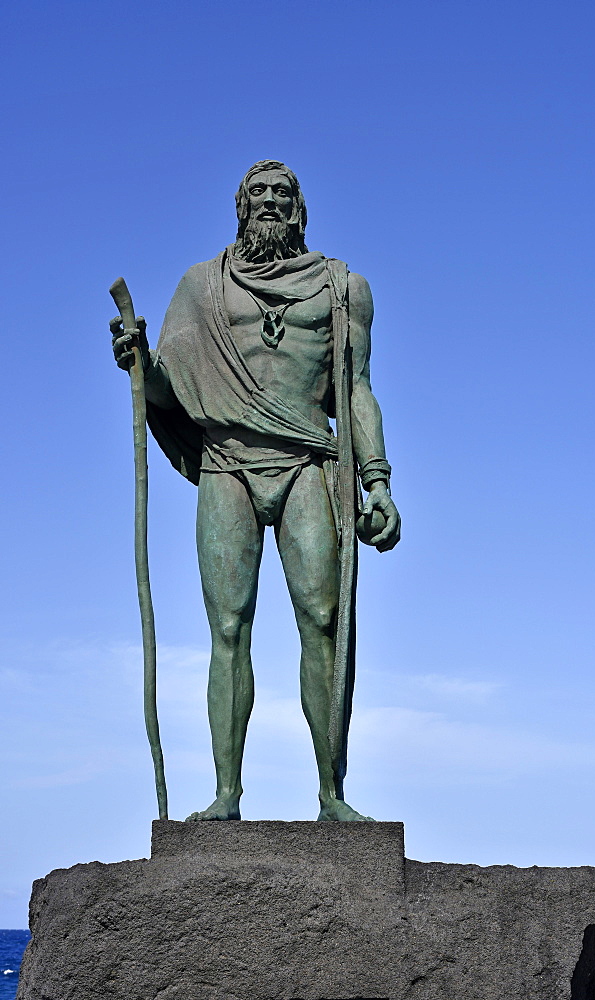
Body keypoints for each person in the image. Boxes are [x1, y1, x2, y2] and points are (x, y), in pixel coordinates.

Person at [111, 160, 400, 821]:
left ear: (299, 209)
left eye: (283, 194)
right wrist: (140, 363)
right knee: (229, 629)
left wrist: (377, 481)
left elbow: (354, 388)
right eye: (258, 194)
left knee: (324, 625)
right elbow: (169, 389)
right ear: (240, 207)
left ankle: (332, 796)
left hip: (307, 465)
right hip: (227, 466)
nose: (270, 202)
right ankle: (225, 796)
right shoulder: (202, 287)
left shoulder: (341, 287)